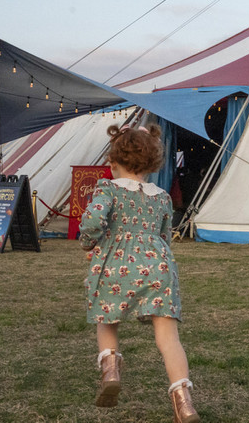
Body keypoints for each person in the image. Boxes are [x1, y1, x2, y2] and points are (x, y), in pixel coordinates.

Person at [79, 124, 198, 423]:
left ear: (114, 161)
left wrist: (88, 242)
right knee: (169, 337)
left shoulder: (108, 189)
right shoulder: (161, 197)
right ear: (151, 163)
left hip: (116, 264)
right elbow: (163, 235)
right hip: (157, 265)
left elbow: (93, 220)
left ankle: (110, 368)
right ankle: (184, 402)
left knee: (107, 318)